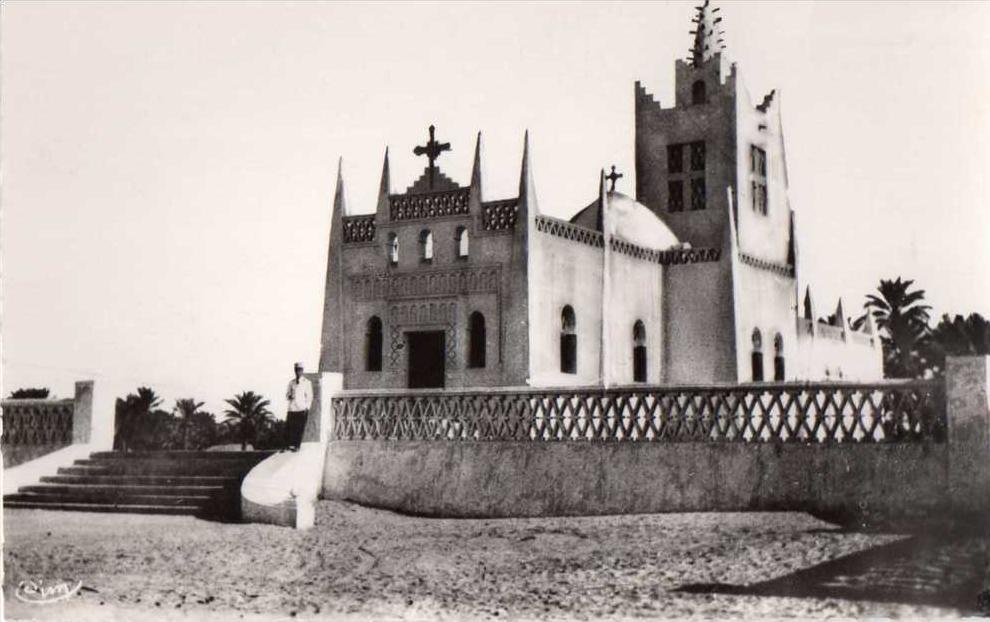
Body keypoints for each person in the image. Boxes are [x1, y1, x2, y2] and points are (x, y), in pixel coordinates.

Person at [284, 362, 313, 451]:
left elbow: (309, 396)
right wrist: (289, 396)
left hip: (301, 408)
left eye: (299, 370)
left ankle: (297, 446)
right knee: (289, 427)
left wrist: (307, 408)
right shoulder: (291, 383)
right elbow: (287, 394)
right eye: (296, 370)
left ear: (302, 371)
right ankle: (288, 445)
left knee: (299, 428)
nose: (298, 372)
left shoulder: (306, 382)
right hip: (292, 408)